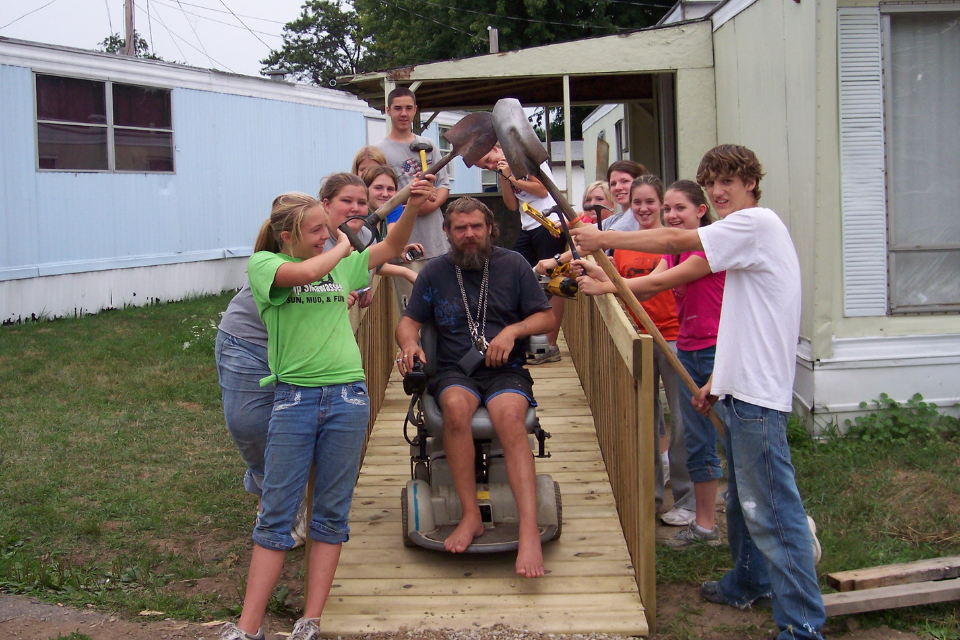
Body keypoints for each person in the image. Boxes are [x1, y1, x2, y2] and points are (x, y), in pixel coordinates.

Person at [569, 145, 825, 640]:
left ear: (751, 182)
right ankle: (747, 581)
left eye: (729, 180)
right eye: (712, 182)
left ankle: (802, 626)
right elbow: (721, 300)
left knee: (772, 509)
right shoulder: (741, 239)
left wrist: (604, 235)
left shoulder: (756, 224)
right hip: (737, 388)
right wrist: (716, 379)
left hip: (758, 400)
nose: (719, 190)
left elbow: (675, 238)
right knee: (745, 502)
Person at [220, 172, 434, 640]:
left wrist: (413, 207)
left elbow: (391, 244)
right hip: (295, 398)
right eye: (315, 228)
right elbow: (307, 273)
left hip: (348, 397)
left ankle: (310, 620)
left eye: (326, 227)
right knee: (277, 513)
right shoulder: (265, 264)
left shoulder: (341, 261)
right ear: (287, 235)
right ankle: (248, 628)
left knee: (331, 514)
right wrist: (342, 243)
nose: (325, 234)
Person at [395, 197, 556, 578]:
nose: (469, 234)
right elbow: (408, 321)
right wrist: (409, 343)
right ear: (447, 232)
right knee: (454, 408)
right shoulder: (435, 272)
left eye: (476, 227)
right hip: (455, 371)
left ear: (489, 229)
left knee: (510, 419)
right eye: (460, 228)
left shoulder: (513, 265)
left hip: (506, 370)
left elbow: (546, 316)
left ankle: (529, 528)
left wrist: (514, 330)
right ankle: (471, 516)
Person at [575, 180, 726, 544]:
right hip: (689, 347)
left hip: (712, 348)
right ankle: (705, 522)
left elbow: (658, 286)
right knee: (700, 438)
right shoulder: (672, 252)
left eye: (679, 209)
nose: (672, 216)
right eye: (669, 209)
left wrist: (606, 277)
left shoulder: (707, 247)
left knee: (721, 435)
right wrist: (600, 273)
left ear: (700, 211)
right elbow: (648, 279)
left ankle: (748, 512)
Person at [476, 143, 564, 364]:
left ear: (497, 146)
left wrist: (512, 179)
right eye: (485, 166)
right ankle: (524, 337)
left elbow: (543, 189)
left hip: (550, 224)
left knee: (553, 281)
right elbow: (512, 205)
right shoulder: (504, 169)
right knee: (512, 274)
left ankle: (550, 345)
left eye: (489, 158)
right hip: (528, 225)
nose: (490, 164)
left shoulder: (525, 156)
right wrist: (505, 179)